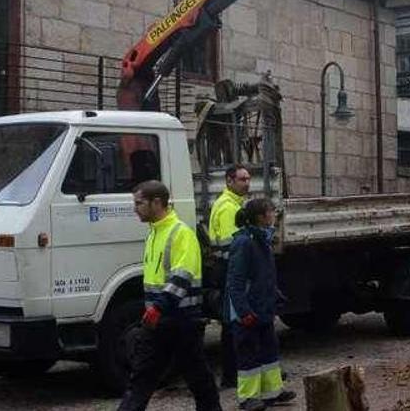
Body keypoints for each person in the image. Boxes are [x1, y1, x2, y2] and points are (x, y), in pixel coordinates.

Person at [118, 180, 222, 411]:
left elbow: (181, 277)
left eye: (139, 203)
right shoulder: (155, 233)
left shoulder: (180, 233)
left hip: (181, 321)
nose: (135, 208)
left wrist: (157, 308)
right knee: (142, 378)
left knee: (196, 377)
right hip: (160, 321)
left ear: (157, 203)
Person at [228, 198, 296, 410]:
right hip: (249, 310)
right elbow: (235, 282)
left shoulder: (261, 239)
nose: (274, 215)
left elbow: (262, 276)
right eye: (271, 211)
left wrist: (274, 294)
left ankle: (272, 392)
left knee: (269, 350)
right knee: (249, 354)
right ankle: (247, 398)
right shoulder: (245, 242)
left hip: (262, 307)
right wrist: (243, 311)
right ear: (261, 217)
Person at [208, 165, 251, 387]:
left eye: (248, 179)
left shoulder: (233, 204)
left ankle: (234, 373)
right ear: (229, 181)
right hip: (230, 270)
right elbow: (230, 247)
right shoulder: (228, 208)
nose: (247, 183)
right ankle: (232, 375)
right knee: (233, 323)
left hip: (228, 269)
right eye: (242, 179)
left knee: (232, 323)